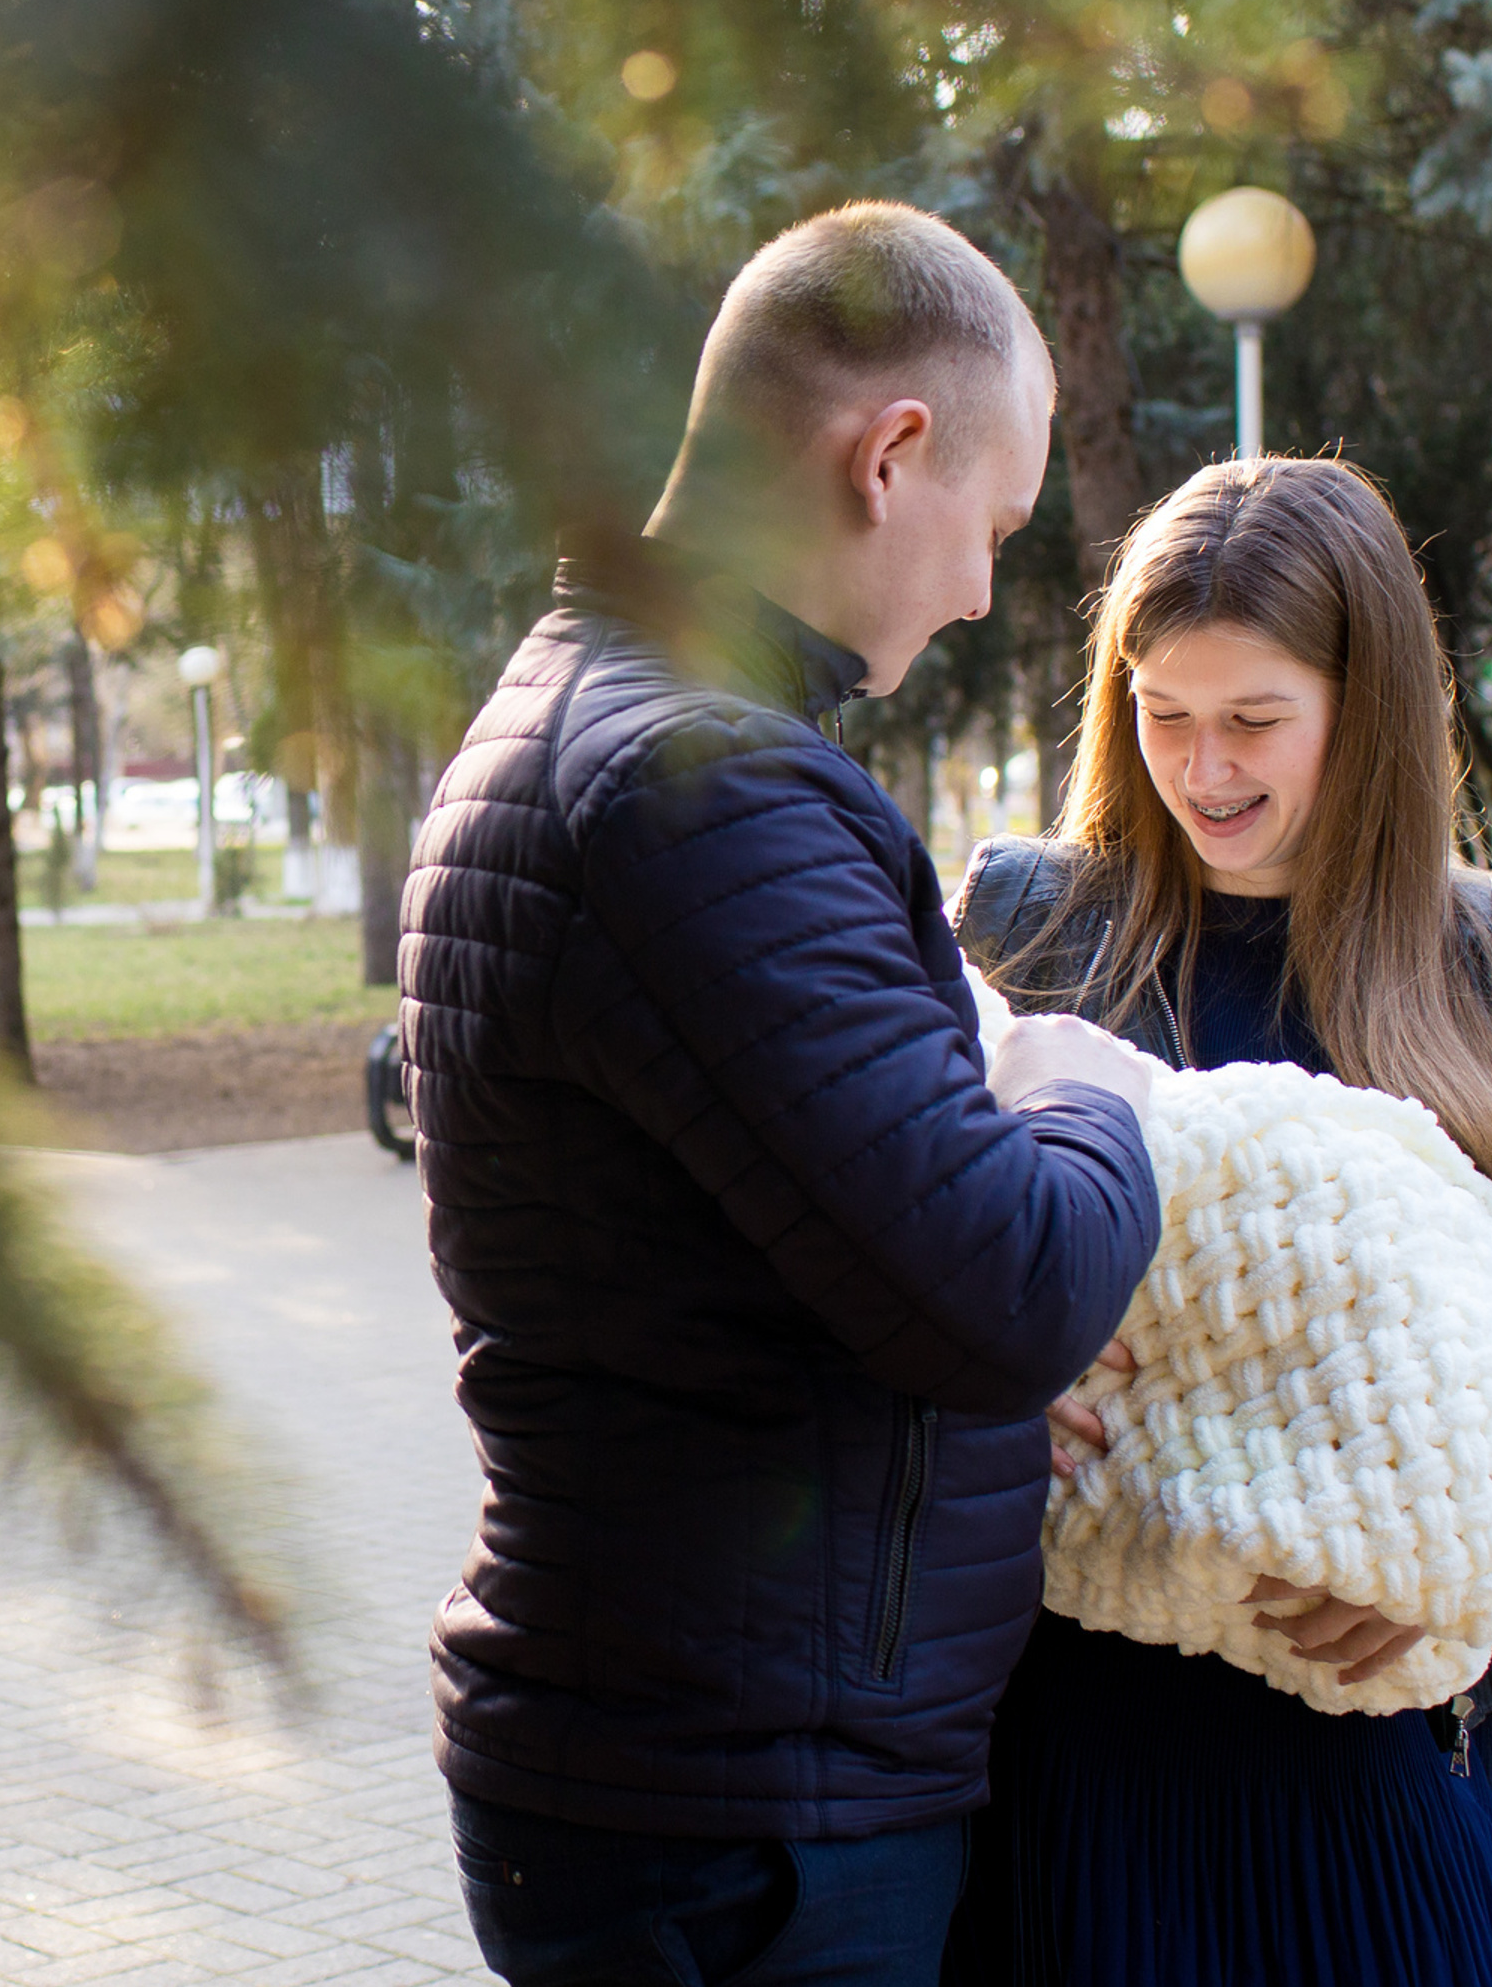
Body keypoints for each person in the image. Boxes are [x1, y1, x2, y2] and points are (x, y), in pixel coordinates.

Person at [403, 201, 1162, 1987]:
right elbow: (1006, 1289)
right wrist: (1092, 1090)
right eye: (991, 525)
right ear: (892, 456)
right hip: (750, 1819)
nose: (983, 590)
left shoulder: (586, 715)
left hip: (683, 1766)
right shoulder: (701, 786)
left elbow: (784, 1238)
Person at [947, 455, 1492, 1987]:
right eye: (1162, 711)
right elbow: (893, 1247)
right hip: (1074, 1724)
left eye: (1253, 721)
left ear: (1364, 713)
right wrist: (975, 1388)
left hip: (1375, 1745)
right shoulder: (1031, 924)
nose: (1201, 768)